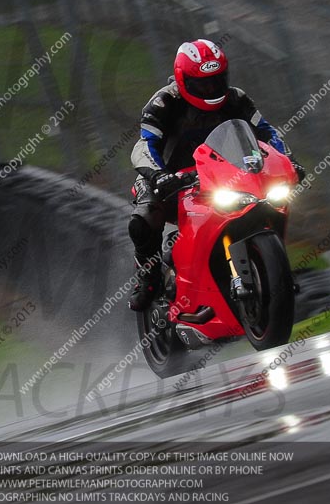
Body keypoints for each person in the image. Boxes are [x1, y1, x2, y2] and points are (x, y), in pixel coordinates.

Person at [128, 39, 306, 312]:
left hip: (223, 173)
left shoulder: (237, 99)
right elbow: (144, 146)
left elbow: (267, 133)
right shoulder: (164, 102)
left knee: (271, 199)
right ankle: (148, 277)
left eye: (216, 80)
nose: (210, 89)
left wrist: (289, 161)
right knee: (145, 216)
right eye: (202, 83)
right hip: (166, 176)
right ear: (183, 79)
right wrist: (159, 176)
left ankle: (275, 271)